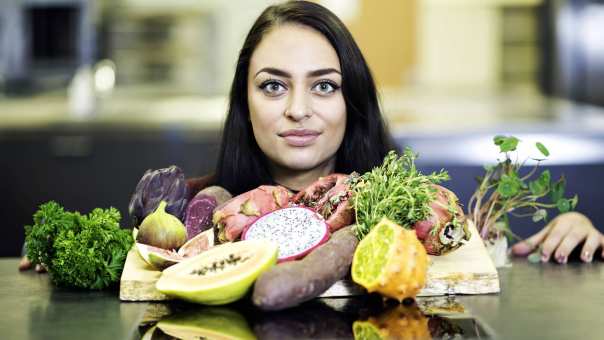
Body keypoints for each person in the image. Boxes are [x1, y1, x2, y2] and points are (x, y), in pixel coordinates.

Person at [20, 1, 602, 271]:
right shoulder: (194, 221)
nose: (298, 109)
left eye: (323, 87)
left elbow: (496, 257)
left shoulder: (414, 218)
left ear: (353, 101)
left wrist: (567, 237)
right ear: (244, 104)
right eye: (273, 87)